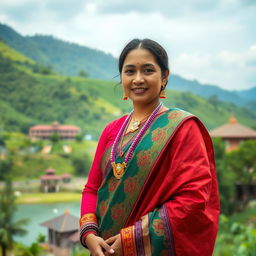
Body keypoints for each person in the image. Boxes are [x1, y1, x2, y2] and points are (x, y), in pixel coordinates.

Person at [80, 39, 220, 256]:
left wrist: (133, 238)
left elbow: (193, 198)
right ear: (122, 78)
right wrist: (89, 234)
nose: (138, 79)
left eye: (147, 70)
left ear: (164, 76)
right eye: (129, 71)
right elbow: (92, 188)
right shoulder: (111, 131)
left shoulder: (182, 129)